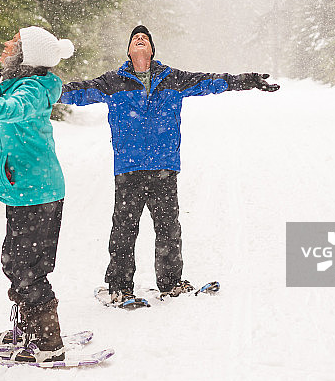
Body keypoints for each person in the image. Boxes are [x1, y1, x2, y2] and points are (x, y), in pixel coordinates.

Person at [58, 25, 279, 305]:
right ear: (128, 51)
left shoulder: (172, 78)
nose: (140, 39)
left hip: (164, 166)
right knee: (124, 230)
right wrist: (43, 91)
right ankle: (119, 287)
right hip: (129, 168)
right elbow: (75, 92)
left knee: (168, 228)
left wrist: (246, 80)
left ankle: (171, 283)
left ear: (151, 50)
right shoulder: (113, 82)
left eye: (145, 39)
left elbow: (211, 81)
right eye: (135, 38)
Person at [0, 26, 75, 362]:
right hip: (26, 190)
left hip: (37, 191)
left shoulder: (33, 89)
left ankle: (48, 343)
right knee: (16, 261)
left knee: (28, 267)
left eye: (14, 44)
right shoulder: (22, 85)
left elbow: (12, 109)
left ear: (27, 56)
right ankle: (28, 330)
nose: (6, 47)